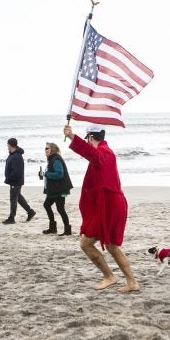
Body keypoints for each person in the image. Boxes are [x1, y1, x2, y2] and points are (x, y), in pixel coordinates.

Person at [64, 124, 139, 293]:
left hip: (110, 206)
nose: (87, 142)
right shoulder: (105, 152)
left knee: (86, 244)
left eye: (87, 139)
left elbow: (93, 155)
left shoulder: (104, 152)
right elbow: (93, 157)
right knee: (112, 246)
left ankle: (110, 277)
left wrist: (72, 137)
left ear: (90, 137)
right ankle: (131, 282)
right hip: (111, 204)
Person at [40, 142, 74, 235]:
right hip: (54, 189)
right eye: (45, 148)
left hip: (60, 189)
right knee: (47, 205)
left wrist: (46, 174)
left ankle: (67, 230)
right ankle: (52, 228)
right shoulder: (52, 159)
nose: (45, 150)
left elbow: (60, 174)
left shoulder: (56, 159)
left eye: (47, 148)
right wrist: (44, 174)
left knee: (60, 209)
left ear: (53, 149)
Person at [3, 137, 36, 224]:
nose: (7, 146)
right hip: (14, 181)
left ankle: (11, 218)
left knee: (13, 198)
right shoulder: (12, 154)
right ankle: (30, 212)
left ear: (10, 145)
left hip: (15, 181)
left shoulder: (17, 156)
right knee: (18, 197)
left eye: (8, 145)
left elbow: (16, 171)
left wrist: (8, 178)